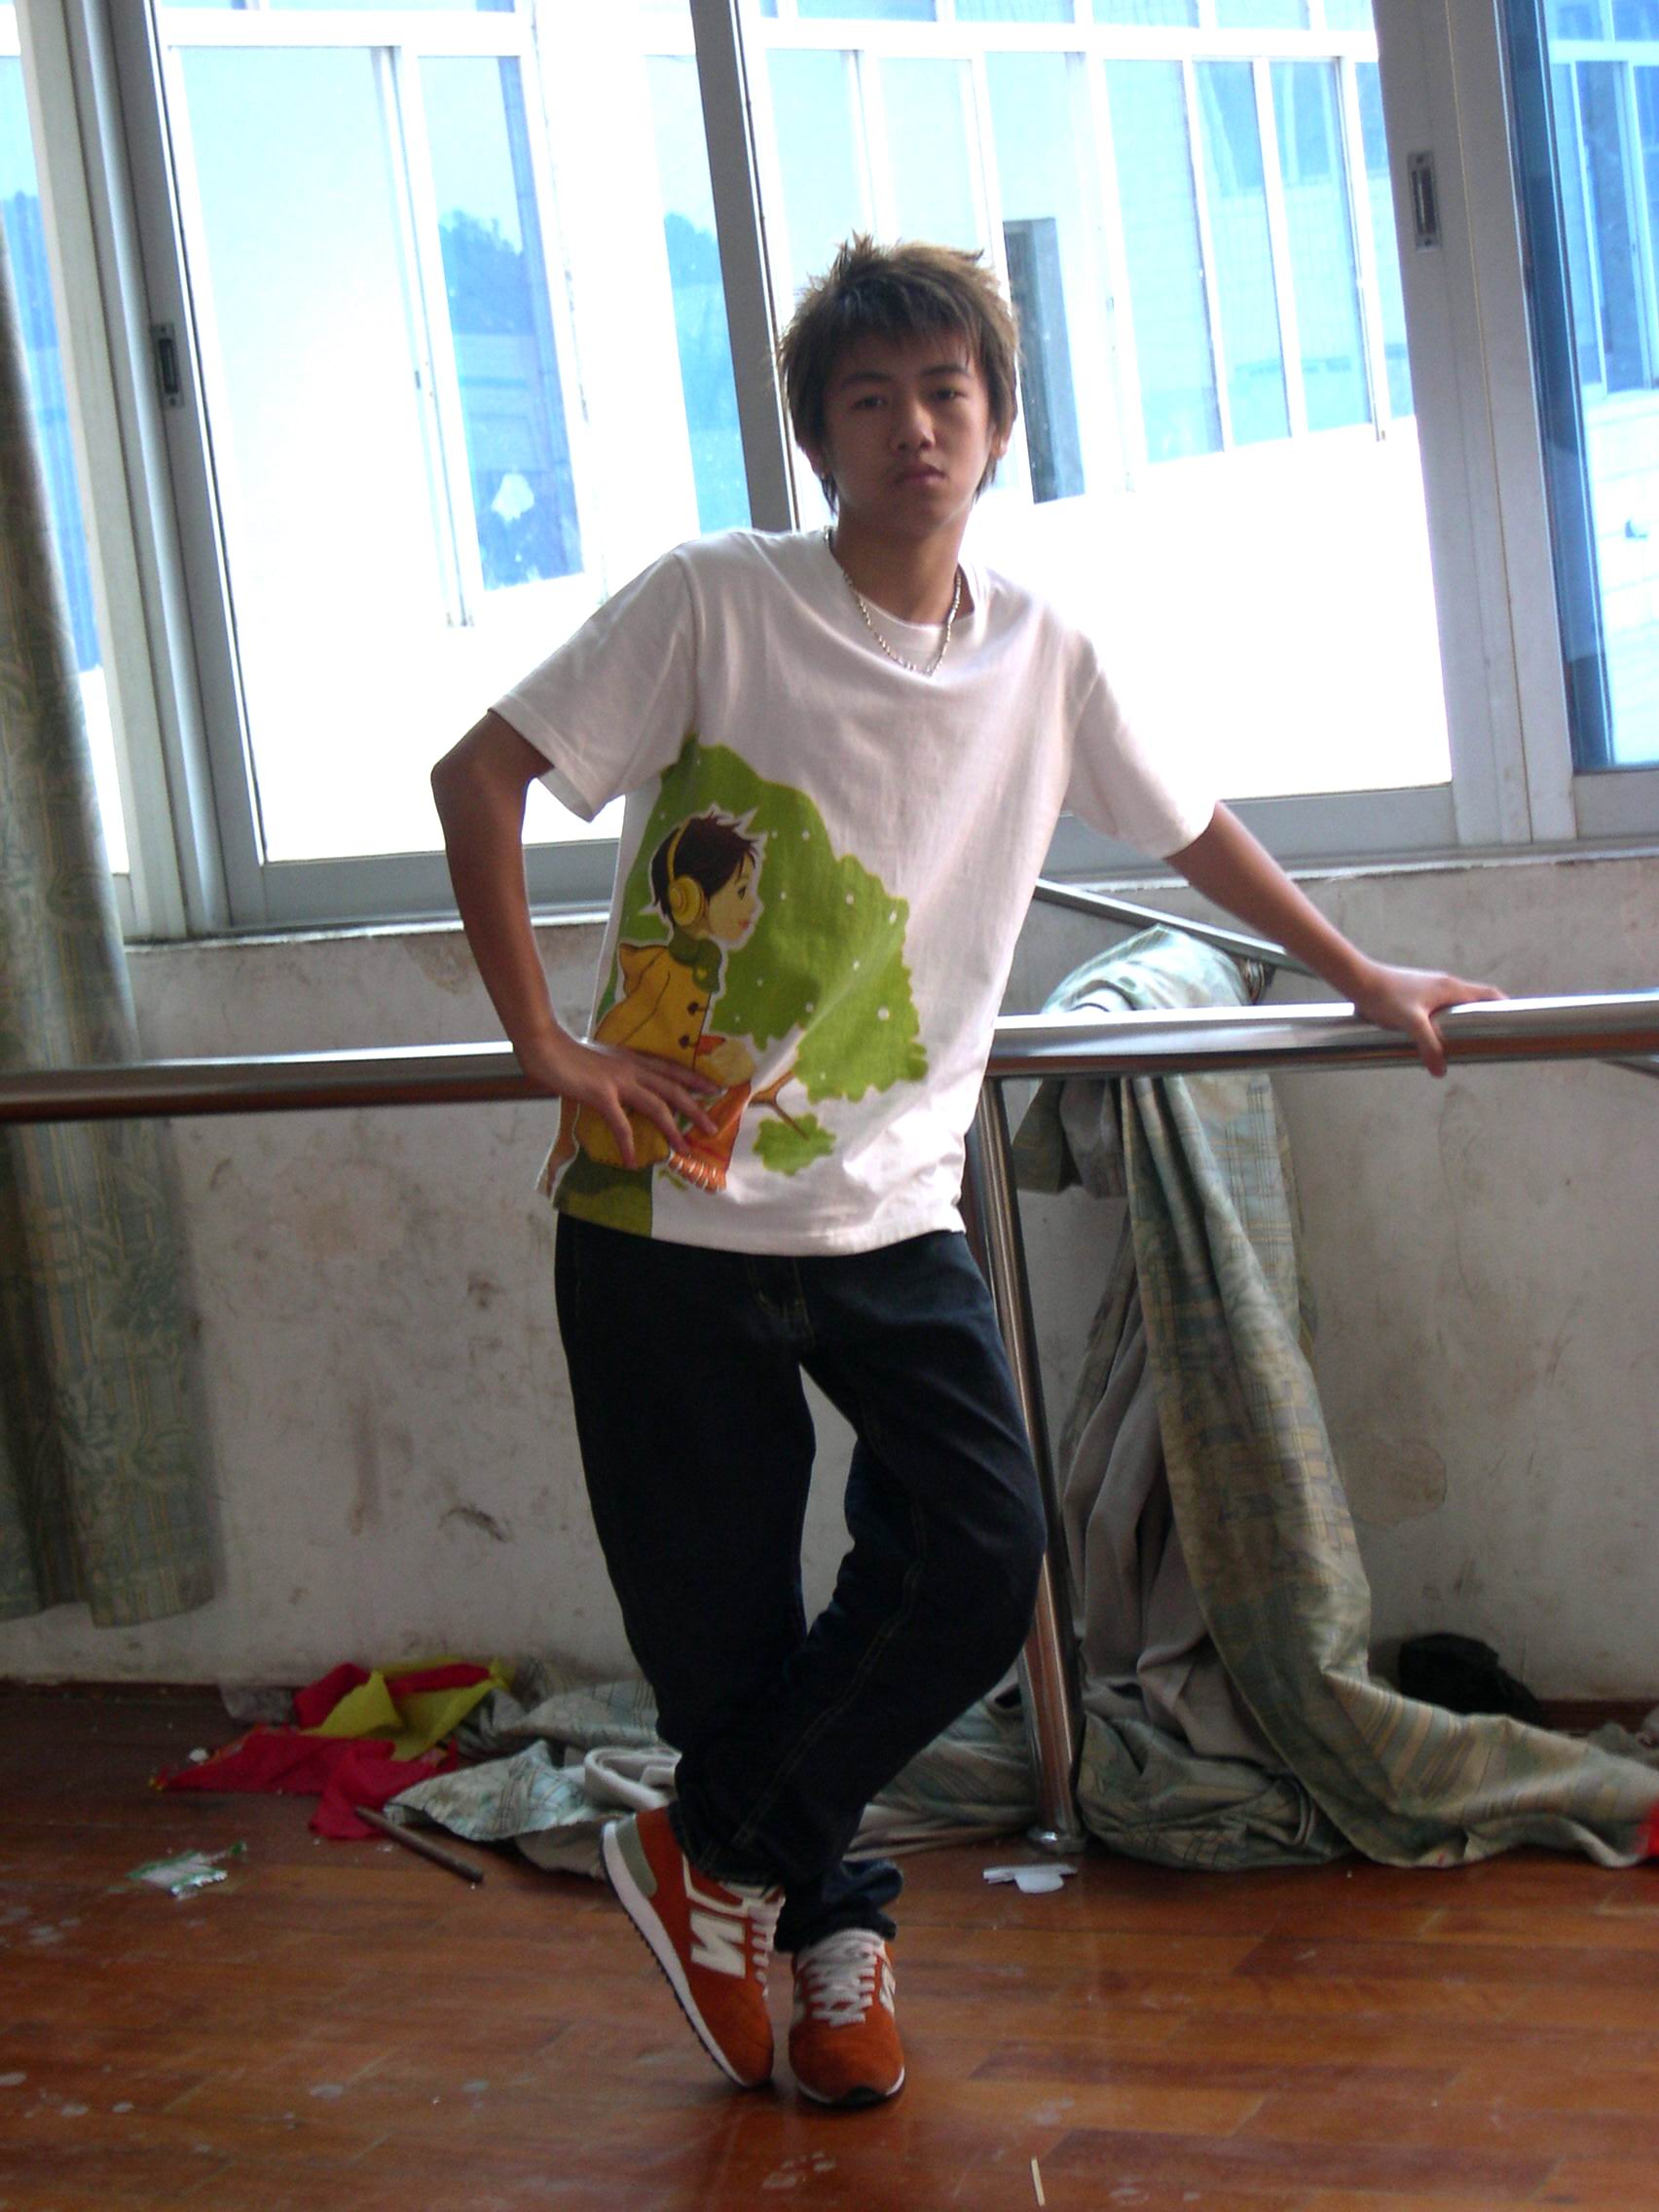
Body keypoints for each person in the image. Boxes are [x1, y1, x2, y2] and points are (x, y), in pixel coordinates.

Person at [431, 236, 1499, 2111]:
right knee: (723, 1625)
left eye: (947, 392)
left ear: (999, 424)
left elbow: (1194, 827)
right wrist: (549, 1044)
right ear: (818, 439)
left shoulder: (1042, 649)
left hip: (894, 1207)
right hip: (663, 1207)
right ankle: (827, 1942)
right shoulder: (716, 600)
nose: (913, 428)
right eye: (871, 399)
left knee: (981, 1549)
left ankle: (711, 1853)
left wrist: (1358, 973)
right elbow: (479, 774)